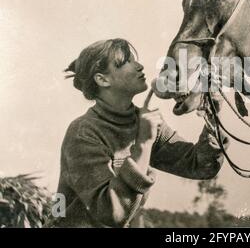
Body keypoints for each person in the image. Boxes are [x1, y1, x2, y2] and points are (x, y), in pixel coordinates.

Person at [48, 38, 228, 228]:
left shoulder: (142, 123)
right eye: (127, 62)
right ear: (102, 79)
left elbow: (200, 166)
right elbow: (111, 213)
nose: (140, 66)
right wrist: (143, 144)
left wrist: (213, 118)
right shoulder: (83, 132)